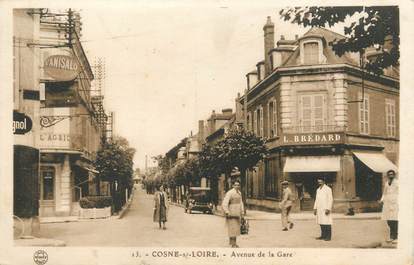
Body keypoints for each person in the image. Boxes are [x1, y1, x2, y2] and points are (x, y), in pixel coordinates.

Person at [222, 180, 245, 248]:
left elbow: (241, 203)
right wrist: (227, 211)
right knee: (232, 228)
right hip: (231, 212)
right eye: (235, 185)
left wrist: (242, 212)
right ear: (233, 186)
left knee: (236, 228)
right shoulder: (230, 193)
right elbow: (225, 203)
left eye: (238, 185)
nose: (237, 186)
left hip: (237, 212)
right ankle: (233, 243)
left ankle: (234, 243)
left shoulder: (239, 193)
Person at [379, 169, 399, 243]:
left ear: (394, 175)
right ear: (388, 175)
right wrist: (381, 200)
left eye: (392, 174)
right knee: (389, 220)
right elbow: (384, 193)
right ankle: (391, 237)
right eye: (389, 174)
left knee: (394, 220)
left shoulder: (397, 183)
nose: (391, 175)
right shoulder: (387, 183)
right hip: (387, 203)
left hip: (395, 203)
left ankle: (396, 237)